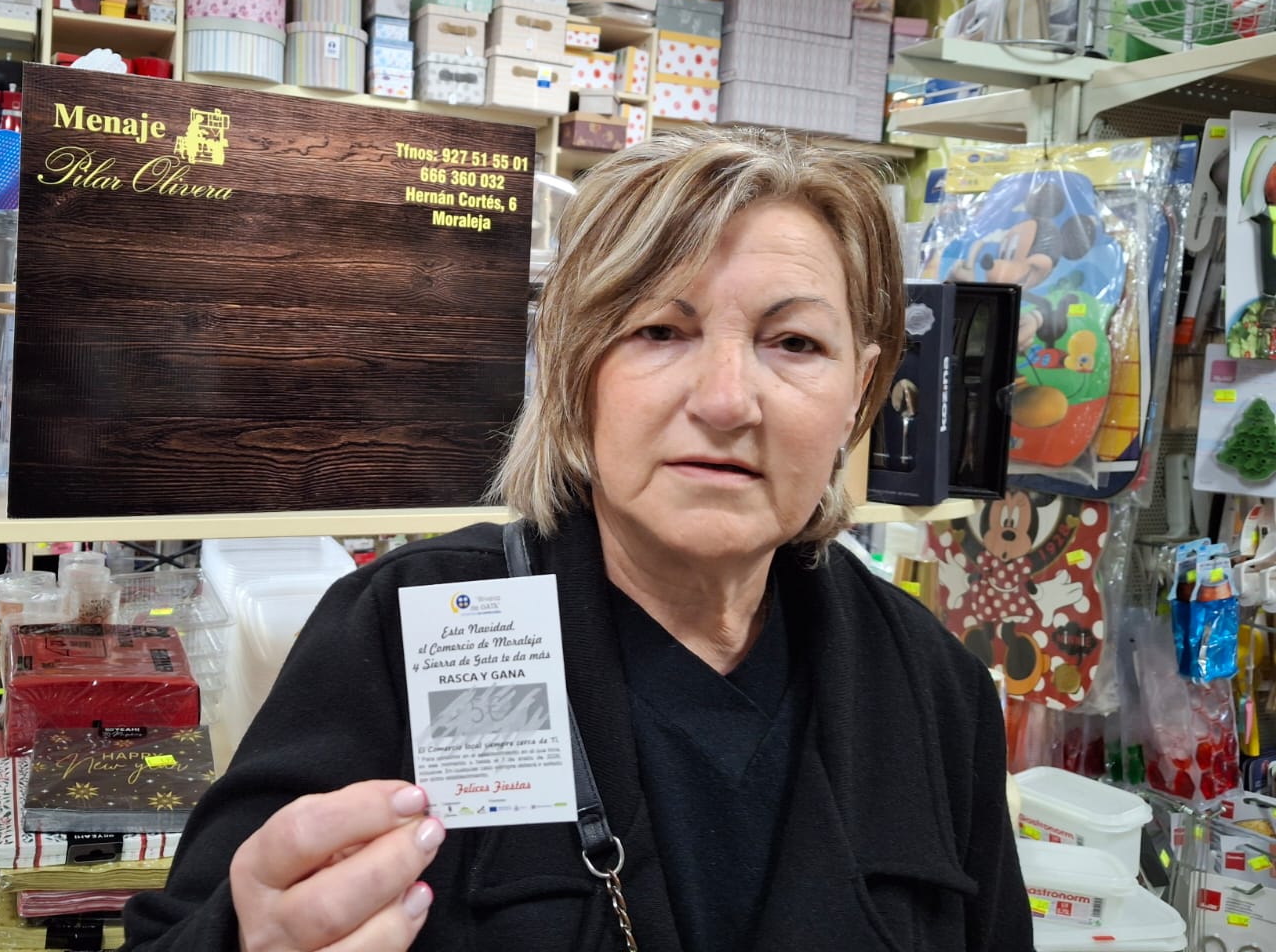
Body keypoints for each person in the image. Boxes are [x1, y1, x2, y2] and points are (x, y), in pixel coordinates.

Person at [122, 129, 1032, 952]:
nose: (726, 401)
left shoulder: (931, 687)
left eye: (793, 342)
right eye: (659, 330)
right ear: (572, 367)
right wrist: (244, 941)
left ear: (861, 393)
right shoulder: (406, 627)